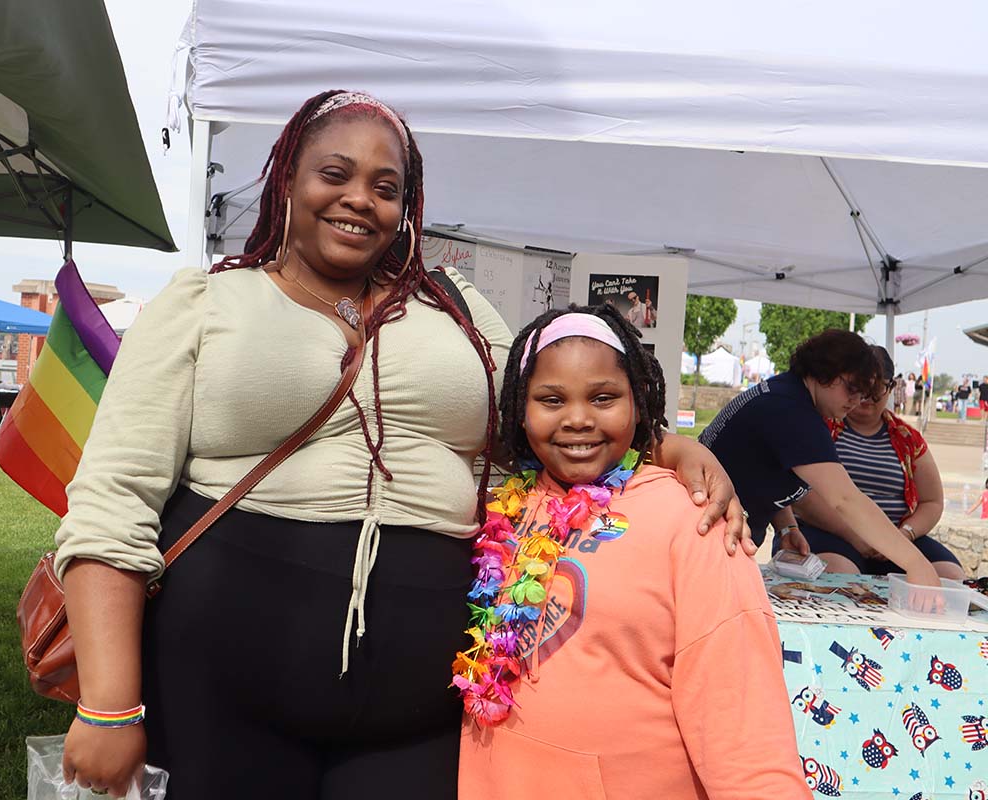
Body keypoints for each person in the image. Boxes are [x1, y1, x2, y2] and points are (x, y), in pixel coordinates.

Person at [53, 90, 751, 799]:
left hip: (417, 712)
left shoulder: (457, 308)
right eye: (335, 174)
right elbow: (114, 497)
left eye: (387, 188)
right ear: (287, 179)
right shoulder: (206, 302)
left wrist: (666, 445)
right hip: (218, 690)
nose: (360, 200)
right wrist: (109, 706)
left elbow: (554, 403)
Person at [456, 306, 808, 798]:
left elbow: (744, 729)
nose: (578, 419)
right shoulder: (505, 508)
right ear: (521, 409)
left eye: (604, 398)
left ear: (638, 402)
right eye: (551, 399)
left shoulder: (695, 517)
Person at [701, 329, 941, 588]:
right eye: (851, 388)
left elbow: (767, 467)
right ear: (822, 370)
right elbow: (846, 499)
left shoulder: (785, 394)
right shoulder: (793, 412)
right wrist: (916, 564)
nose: (856, 401)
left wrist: (787, 528)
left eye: (864, 392)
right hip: (707, 530)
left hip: (718, 525)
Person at [790, 347, 963, 580]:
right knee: (840, 574)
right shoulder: (819, 428)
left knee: (948, 575)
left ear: (890, 387)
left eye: (876, 389)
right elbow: (802, 496)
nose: (864, 398)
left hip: (895, 536)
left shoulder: (908, 439)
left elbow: (932, 501)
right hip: (829, 531)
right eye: (858, 388)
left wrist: (905, 535)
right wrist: (857, 535)